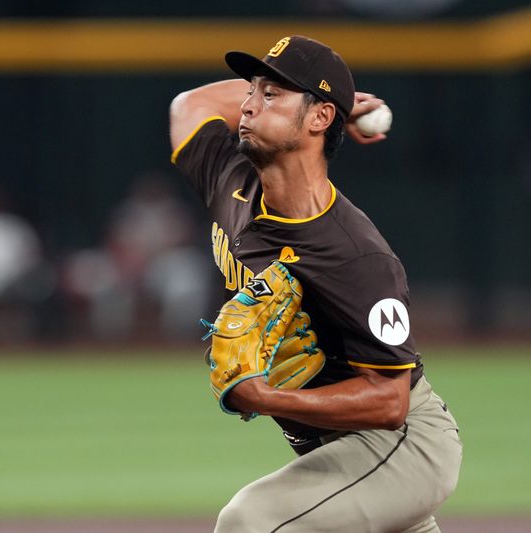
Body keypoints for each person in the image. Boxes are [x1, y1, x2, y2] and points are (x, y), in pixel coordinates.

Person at [169, 35, 462, 532]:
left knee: (251, 521)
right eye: (251, 90)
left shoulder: (355, 254)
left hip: (398, 445)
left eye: (271, 94)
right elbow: (189, 104)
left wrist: (264, 398)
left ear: (318, 118)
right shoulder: (229, 178)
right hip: (339, 452)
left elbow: (390, 402)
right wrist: (337, 107)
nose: (246, 105)